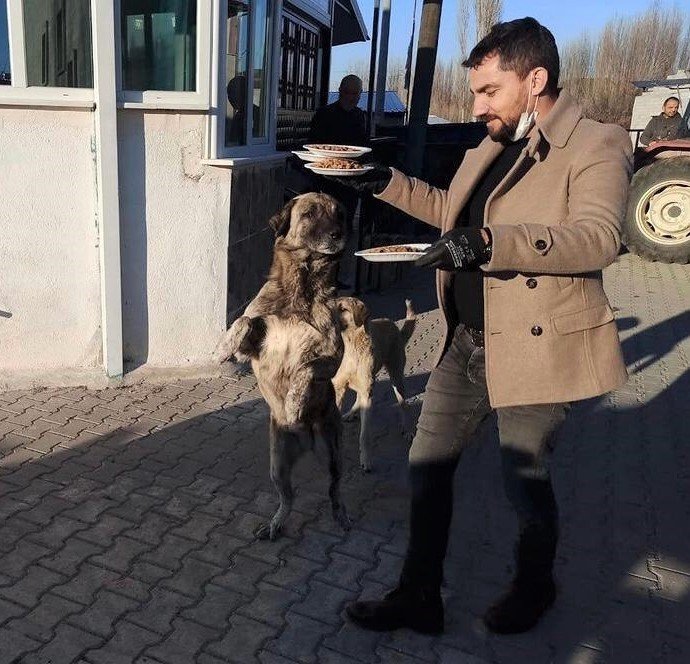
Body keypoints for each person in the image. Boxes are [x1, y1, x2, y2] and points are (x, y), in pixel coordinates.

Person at [333, 17, 633, 635]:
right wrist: (380, 180)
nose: (477, 107)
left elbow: (600, 237)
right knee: (426, 467)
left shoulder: (595, 143)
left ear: (536, 79)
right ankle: (419, 596)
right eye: (475, 92)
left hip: (538, 346)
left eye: (488, 90)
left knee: (524, 482)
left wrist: (493, 243)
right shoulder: (493, 142)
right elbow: (449, 212)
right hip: (466, 344)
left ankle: (534, 585)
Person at [309, 74, 368, 146]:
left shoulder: (360, 115)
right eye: (347, 92)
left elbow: (362, 143)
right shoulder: (323, 114)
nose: (350, 98)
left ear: (360, 93)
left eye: (354, 94)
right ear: (340, 91)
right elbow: (314, 143)